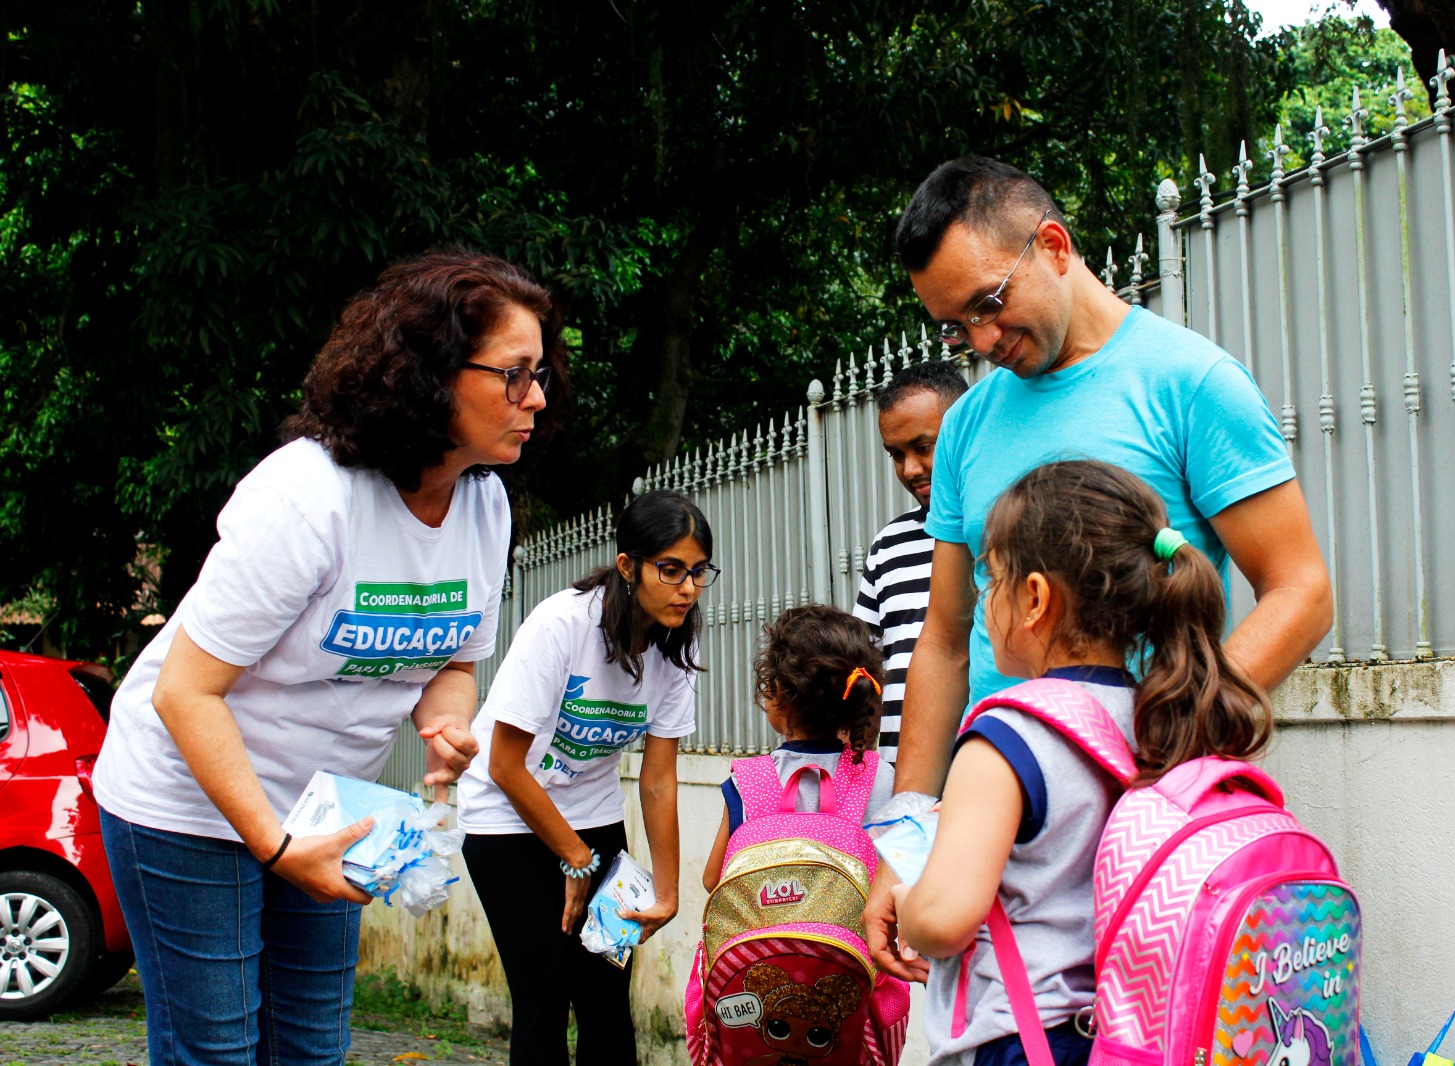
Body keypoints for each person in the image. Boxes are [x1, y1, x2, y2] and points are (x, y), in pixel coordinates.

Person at [868, 157, 1331, 983]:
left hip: (1152, 836)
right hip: (996, 840)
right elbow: (942, 641)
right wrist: (906, 836)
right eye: (953, 327)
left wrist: (1167, 747)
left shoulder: (1194, 384)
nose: (978, 342)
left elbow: (1301, 592)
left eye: (987, 305)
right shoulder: (970, 423)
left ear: (1053, 244)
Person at [94, 249, 563, 1065]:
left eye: (543, 373)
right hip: (185, 801)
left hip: (323, 811)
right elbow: (185, 692)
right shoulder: (307, 496)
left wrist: (446, 726)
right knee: (218, 1051)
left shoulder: (485, 506)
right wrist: (273, 849)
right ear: (432, 372)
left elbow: (453, 663)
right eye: (516, 374)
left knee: (311, 1049)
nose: (537, 398)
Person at [892, 459, 1273, 1065]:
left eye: (992, 580)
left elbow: (942, 920)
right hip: (1133, 1036)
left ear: (1036, 598)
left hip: (1023, 1041)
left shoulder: (1007, 734)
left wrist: (910, 898)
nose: (986, 600)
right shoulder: (1166, 717)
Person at [457, 489, 712, 1065]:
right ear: (629, 566)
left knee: (604, 996)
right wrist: (575, 858)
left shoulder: (675, 646)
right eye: (670, 570)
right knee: (544, 993)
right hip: (505, 816)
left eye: (698, 572)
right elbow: (503, 763)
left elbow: (658, 778)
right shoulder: (562, 624)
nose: (688, 588)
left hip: (593, 817)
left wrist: (667, 890)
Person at [701, 604, 897, 891]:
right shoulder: (879, 776)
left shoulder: (749, 781)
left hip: (766, 936)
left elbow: (714, 880)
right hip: (859, 935)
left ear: (776, 692)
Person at [853, 361, 968, 766]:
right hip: (895, 777)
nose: (910, 469)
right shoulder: (888, 546)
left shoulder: (1005, 530)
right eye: (896, 455)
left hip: (983, 773)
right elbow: (864, 665)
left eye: (923, 447)